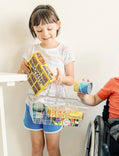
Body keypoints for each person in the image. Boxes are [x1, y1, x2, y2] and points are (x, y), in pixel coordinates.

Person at [18, 4, 75, 156]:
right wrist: (23, 70)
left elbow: (71, 80)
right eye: (39, 30)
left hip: (55, 107)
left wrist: (60, 78)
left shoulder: (65, 50)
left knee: (52, 148)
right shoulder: (31, 50)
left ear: (58, 25)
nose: (45, 33)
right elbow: (20, 76)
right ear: (33, 29)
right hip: (33, 105)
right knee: (36, 147)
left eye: (49, 29)